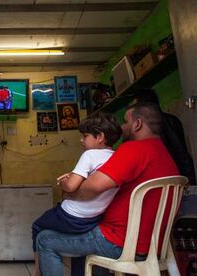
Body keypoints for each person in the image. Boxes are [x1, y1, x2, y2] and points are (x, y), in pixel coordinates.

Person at [36, 102, 179, 276]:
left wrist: (69, 193)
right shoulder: (165, 154)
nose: (122, 127)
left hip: (119, 240)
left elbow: (94, 186)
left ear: (137, 124)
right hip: (153, 243)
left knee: (45, 239)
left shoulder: (134, 149)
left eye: (125, 122)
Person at [32, 112, 122, 276]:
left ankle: (38, 272)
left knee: (37, 227)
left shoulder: (90, 154)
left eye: (85, 136)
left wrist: (63, 181)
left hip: (70, 216)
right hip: (93, 220)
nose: (81, 140)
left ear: (100, 137)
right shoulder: (117, 158)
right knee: (79, 249)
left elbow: (72, 186)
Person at [135, 88, 196, 186]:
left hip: (173, 175)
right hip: (181, 173)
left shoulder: (152, 127)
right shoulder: (172, 119)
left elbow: (179, 150)